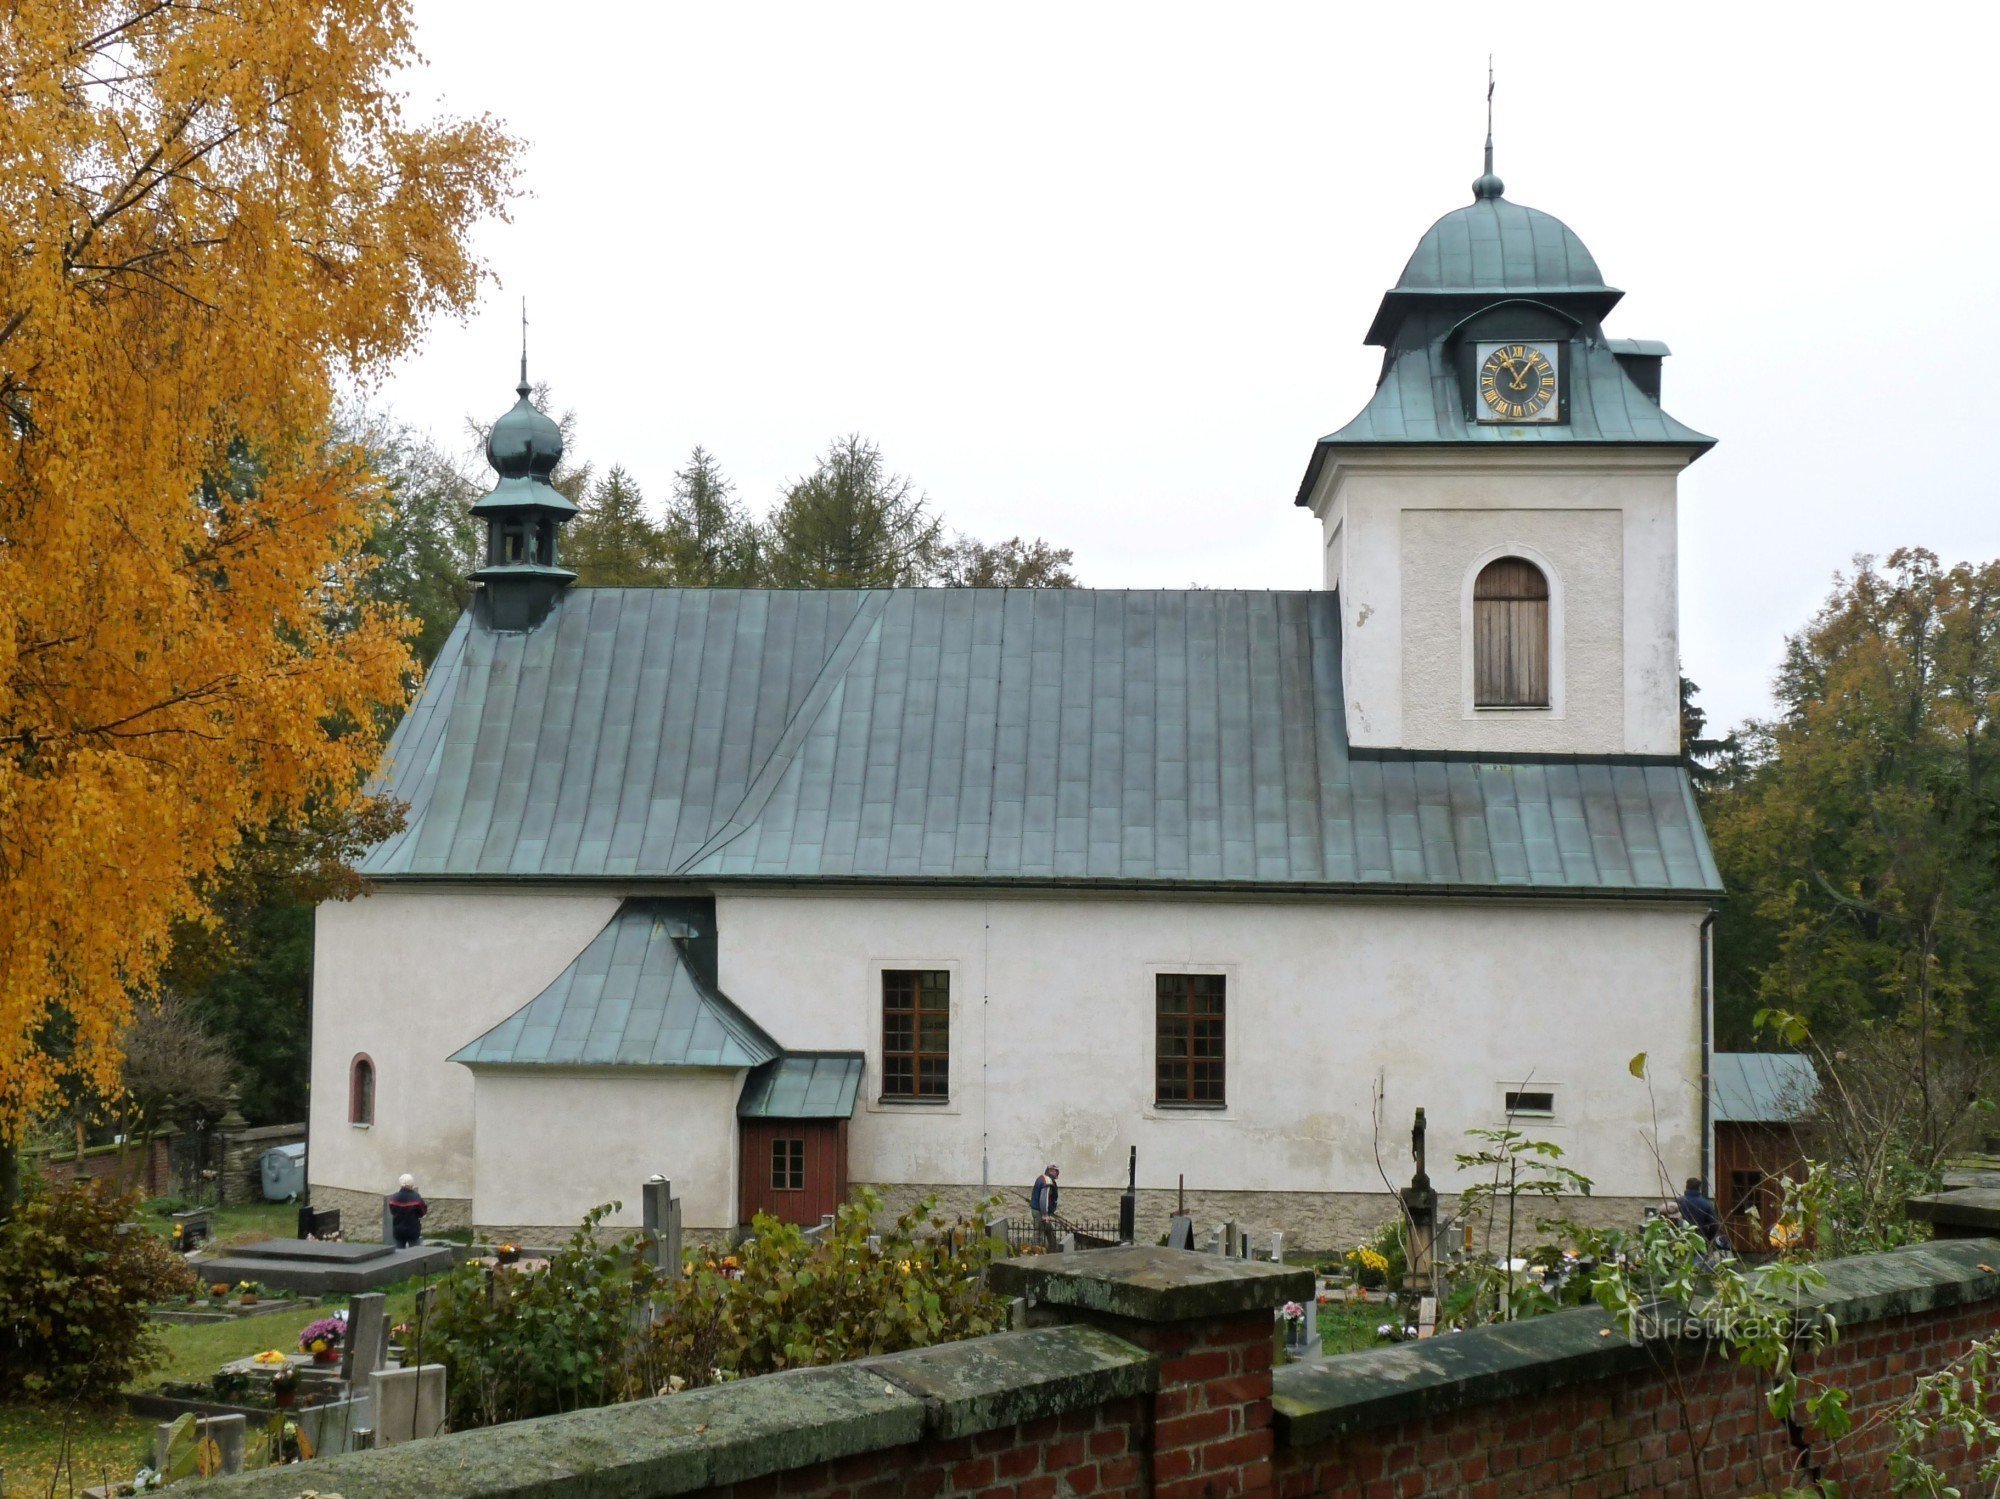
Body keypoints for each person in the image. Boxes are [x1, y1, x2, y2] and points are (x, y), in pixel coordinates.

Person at [1676, 1176, 1722, 1250]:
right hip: (1700, 1241)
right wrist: (1708, 1238)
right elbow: (1714, 1224)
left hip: (1680, 1240)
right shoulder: (1707, 1204)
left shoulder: (1678, 1202)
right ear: (1699, 1188)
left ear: (1686, 1187)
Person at [387, 1173, 427, 1249]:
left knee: (399, 1254)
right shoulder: (416, 1197)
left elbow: (392, 1211)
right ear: (412, 1184)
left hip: (398, 1230)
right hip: (413, 1230)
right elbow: (423, 1212)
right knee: (415, 1253)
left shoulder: (393, 1198)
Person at [1030, 1164, 1060, 1248]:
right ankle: (1035, 1254)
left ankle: (1054, 1250)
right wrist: (1045, 1215)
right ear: (1051, 1170)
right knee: (1038, 1234)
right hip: (1040, 1212)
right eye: (1056, 1171)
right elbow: (1044, 1198)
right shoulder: (1047, 1181)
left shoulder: (1042, 1178)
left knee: (1049, 1231)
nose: (1058, 1173)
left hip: (1039, 1210)